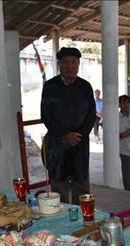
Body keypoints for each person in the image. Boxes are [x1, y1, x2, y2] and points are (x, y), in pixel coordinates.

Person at [41, 47, 96, 204]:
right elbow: (46, 115)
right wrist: (65, 135)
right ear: (59, 65)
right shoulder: (50, 87)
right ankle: (63, 224)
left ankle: (85, 222)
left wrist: (78, 136)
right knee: (59, 189)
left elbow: (91, 115)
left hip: (80, 144)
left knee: (82, 189)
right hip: (57, 144)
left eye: (73, 62)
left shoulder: (85, 87)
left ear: (78, 64)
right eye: (65, 62)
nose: (69, 66)